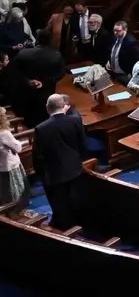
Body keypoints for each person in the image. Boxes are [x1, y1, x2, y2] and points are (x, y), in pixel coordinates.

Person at [32, 93, 87, 229]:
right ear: (64, 106)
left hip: (55, 174)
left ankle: (64, 228)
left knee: (59, 204)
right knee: (75, 200)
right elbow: (83, 145)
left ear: (47, 108)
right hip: (75, 169)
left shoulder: (41, 129)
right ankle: (78, 225)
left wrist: (42, 175)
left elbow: (38, 156)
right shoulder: (75, 120)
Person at [0, 106, 30, 214]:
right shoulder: (4, 134)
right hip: (9, 166)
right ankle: (16, 211)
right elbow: (18, 147)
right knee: (16, 190)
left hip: (2, 166)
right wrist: (16, 144)